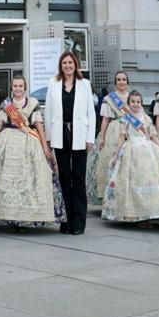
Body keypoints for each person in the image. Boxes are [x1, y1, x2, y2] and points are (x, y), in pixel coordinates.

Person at [0, 74, 63, 230]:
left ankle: (25, 218)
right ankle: (9, 217)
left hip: (28, 142)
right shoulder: (7, 105)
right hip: (7, 140)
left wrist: (44, 146)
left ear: (25, 87)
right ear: (12, 87)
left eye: (20, 86)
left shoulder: (32, 104)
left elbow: (38, 126)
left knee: (30, 179)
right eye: (15, 86)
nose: (18, 89)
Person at [101, 91, 159, 225]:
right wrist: (115, 154)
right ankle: (136, 213)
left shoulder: (146, 118)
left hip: (149, 151)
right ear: (128, 104)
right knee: (134, 180)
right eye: (133, 102)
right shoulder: (125, 119)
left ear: (141, 103)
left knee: (151, 179)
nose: (135, 104)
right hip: (131, 151)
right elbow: (122, 137)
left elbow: (153, 135)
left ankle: (151, 211)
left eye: (138, 102)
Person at [44, 50, 95, 235]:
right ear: (61, 66)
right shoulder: (53, 83)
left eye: (70, 63)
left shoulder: (85, 84)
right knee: (64, 178)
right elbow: (48, 111)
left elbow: (91, 112)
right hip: (59, 134)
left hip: (80, 134)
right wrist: (48, 138)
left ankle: (79, 222)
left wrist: (90, 138)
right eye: (64, 63)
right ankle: (66, 220)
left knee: (78, 179)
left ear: (76, 65)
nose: (67, 66)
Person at [89, 70, 132, 208]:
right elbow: (105, 119)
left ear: (127, 81)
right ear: (115, 82)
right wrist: (102, 137)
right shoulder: (110, 99)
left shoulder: (133, 97)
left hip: (131, 129)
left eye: (124, 79)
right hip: (114, 129)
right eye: (119, 79)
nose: (121, 82)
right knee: (111, 160)